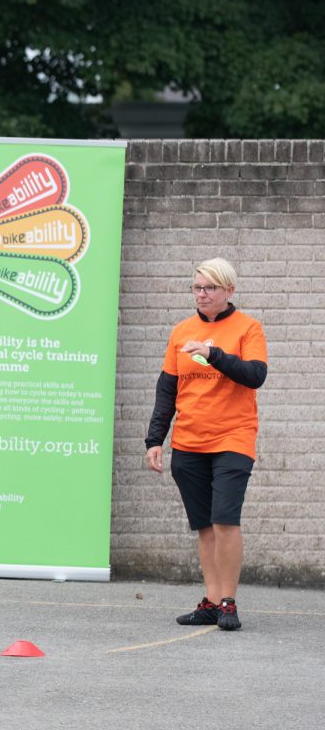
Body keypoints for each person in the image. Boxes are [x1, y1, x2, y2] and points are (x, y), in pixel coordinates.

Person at [146, 258, 267, 631]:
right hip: (189, 441)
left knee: (225, 519)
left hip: (233, 437)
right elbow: (168, 388)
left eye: (210, 287)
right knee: (204, 526)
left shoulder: (248, 328)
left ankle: (228, 601)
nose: (202, 294)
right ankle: (212, 601)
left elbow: (255, 375)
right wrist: (155, 439)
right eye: (197, 287)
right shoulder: (181, 331)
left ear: (229, 291)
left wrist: (213, 354)